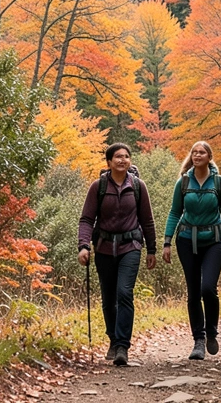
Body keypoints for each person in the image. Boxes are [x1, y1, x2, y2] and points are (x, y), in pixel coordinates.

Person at [78, 143, 157, 366]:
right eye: (118, 157)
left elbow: (147, 220)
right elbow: (86, 219)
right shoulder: (98, 186)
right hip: (104, 248)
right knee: (108, 297)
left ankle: (122, 346)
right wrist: (83, 246)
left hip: (131, 246)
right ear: (109, 162)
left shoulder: (138, 186)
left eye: (126, 156)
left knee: (124, 292)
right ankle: (113, 339)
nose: (122, 160)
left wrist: (151, 250)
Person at [162, 141, 221, 361]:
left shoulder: (219, 182)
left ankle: (211, 331)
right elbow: (175, 212)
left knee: (208, 288)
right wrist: (167, 242)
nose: (197, 155)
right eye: (194, 152)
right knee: (194, 291)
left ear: (209, 157)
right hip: (186, 240)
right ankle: (199, 340)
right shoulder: (183, 182)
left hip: (214, 240)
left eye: (202, 152)